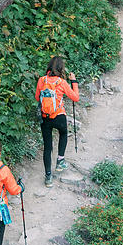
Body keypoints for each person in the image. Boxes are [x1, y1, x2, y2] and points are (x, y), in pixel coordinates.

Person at [36, 55, 79, 187]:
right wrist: (74, 81)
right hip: (59, 115)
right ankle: (60, 160)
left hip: (45, 117)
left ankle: (48, 177)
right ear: (61, 68)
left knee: (47, 147)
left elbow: (38, 97)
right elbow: (75, 97)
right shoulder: (61, 83)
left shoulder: (42, 80)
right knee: (63, 133)